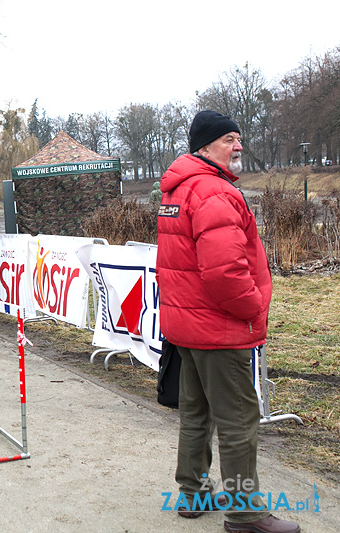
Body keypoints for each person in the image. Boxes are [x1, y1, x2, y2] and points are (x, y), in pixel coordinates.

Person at [156, 110, 299, 533]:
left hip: (188, 326)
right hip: (219, 329)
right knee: (238, 420)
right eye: (228, 139)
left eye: (239, 138)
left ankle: (193, 493)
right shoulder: (214, 192)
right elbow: (225, 273)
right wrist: (253, 308)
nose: (238, 146)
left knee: (196, 414)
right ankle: (245, 514)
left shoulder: (178, 189)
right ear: (204, 146)